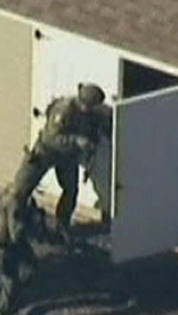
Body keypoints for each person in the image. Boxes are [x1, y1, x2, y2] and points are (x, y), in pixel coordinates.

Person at [9, 82, 112, 247]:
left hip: (67, 156)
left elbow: (105, 120)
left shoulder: (93, 113)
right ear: (85, 104)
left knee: (71, 190)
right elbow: (52, 138)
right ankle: (16, 231)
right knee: (20, 188)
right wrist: (76, 140)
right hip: (46, 151)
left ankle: (62, 225)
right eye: (92, 106)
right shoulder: (64, 110)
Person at [0, 192, 43, 315]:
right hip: (4, 249)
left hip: (6, 245)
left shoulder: (10, 196)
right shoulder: (15, 203)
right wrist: (32, 224)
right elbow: (16, 232)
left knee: (28, 269)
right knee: (9, 285)